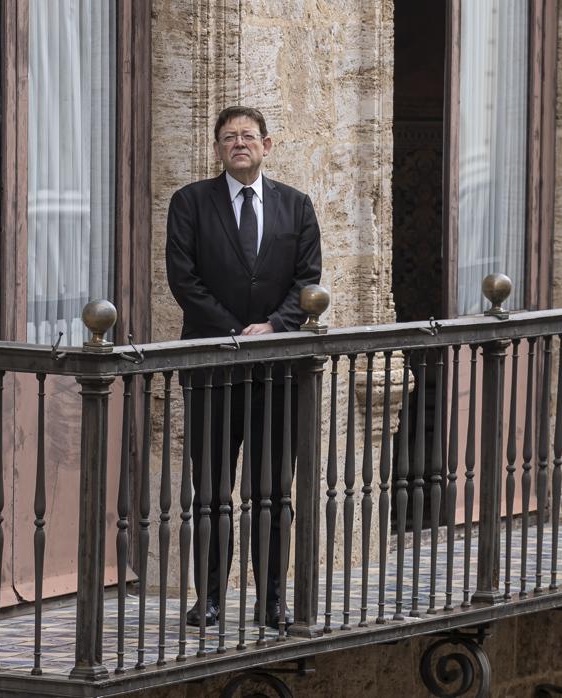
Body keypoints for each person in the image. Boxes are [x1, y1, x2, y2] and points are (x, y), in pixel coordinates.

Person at [166, 106, 322, 629]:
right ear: (217, 149)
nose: (239, 144)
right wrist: (233, 330)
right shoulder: (190, 203)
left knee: (273, 493)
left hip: (276, 374)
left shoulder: (297, 207)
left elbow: (309, 282)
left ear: (267, 145)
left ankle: (271, 600)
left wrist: (274, 326)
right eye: (229, 137)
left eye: (248, 136)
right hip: (212, 368)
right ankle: (209, 598)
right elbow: (183, 280)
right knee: (211, 491)